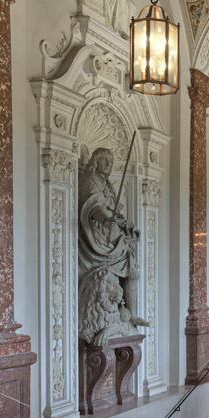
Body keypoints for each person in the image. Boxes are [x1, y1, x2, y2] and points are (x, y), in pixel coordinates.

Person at [78, 147, 148, 344]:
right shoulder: (89, 180)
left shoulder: (107, 184)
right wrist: (105, 219)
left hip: (111, 235)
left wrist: (125, 225)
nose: (109, 165)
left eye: (111, 161)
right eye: (104, 160)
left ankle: (132, 314)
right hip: (96, 237)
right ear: (95, 161)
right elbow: (93, 206)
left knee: (132, 267)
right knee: (120, 267)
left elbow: (113, 213)